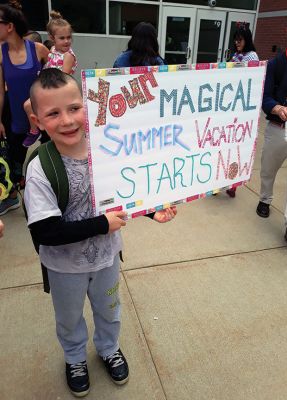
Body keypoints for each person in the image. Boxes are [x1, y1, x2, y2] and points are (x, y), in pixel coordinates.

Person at [24, 68, 177, 397]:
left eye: (74, 108)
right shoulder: (41, 169)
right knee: (69, 319)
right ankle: (75, 357)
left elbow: (126, 188)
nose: (66, 120)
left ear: (88, 107)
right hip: (64, 268)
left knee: (110, 310)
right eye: (53, 113)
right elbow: (45, 231)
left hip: (107, 259)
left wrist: (152, 210)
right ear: (37, 121)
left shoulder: (107, 148)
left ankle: (108, 348)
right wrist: (101, 224)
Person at [0, 0, 48, 216]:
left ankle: (52, 195)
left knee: (51, 155)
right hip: (16, 118)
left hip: (45, 116)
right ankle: (13, 198)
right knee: (15, 160)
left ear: (9, 26)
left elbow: (55, 78)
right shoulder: (0, 53)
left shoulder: (38, 49)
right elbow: (0, 91)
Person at [256, 7, 287, 242]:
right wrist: (277, 108)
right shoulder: (275, 64)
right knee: (268, 169)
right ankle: (265, 198)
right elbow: (265, 97)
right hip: (278, 127)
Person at [22, 10, 77, 148]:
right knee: (27, 105)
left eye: (69, 37)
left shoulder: (68, 56)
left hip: (57, 90)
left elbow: (63, 78)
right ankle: (35, 130)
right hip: (47, 86)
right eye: (62, 38)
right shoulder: (52, 50)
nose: (67, 41)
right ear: (52, 38)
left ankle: (39, 133)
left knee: (33, 107)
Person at [226, 24, 259, 198]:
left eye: (240, 39)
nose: (237, 42)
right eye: (235, 39)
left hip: (242, 107)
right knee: (223, 145)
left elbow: (250, 81)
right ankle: (220, 181)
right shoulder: (235, 55)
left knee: (236, 147)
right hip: (229, 105)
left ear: (247, 39)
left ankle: (232, 184)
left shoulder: (251, 56)